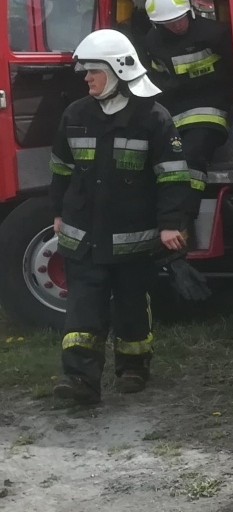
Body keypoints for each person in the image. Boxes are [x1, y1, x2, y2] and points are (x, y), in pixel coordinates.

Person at [50, 31, 192, 403]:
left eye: (93, 71)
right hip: (82, 234)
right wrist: (57, 212)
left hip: (132, 235)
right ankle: (79, 379)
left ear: (117, 70)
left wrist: (170, 223)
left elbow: (173, 176)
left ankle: (133, 367)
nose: (86, 78)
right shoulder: (75, 114)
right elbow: (61, 170)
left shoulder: (153, 118)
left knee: (131, 304)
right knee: (84, 306)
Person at [136, 0, 233, 190]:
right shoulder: (152, 43)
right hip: (173, 111)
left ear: (189, 10)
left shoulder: (215, 34)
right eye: (170, 22)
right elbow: (156, 79)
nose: (178, 24)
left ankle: (185, 211)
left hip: (211, 107)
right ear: (157, 23)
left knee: (192, 155)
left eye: (180, 17)